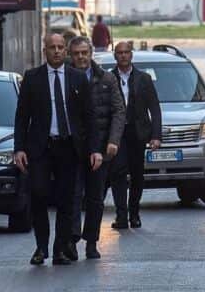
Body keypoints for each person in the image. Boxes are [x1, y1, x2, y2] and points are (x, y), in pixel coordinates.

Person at [13, 33, 101, 266]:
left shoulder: (78, 78)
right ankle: (41, 247)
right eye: (52, 47)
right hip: (41, 148)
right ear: (45, 51)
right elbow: (22, 117)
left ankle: (60, 248)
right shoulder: (32, 78)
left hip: (69, 147)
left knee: (66, 200)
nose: (57, 51)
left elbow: (89, 118)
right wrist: (19, 148)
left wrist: (94, 149)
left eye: (61, 47)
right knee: (39, 195)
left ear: (66, 51)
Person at [67, 36, 125, 260]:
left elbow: (119, 111)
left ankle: (91, 242)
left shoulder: (107, 79)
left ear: (91, 53)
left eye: (84, 52)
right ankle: (71, 241)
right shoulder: (65, 79)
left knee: (95, 199)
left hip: (99, 151)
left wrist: (113, 141)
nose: (81, 57)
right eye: (76, 53)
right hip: (72, 150)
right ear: (71, 56)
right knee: (72, 197)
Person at [110, 40, 162, 230]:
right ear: (115, 55)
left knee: (137, 175)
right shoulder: (108, 78)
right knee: (118, 172)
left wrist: (156, 136)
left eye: (126, 52)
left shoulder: (144, 79)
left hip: (138, 133)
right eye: (119, 52)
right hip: (117, 134)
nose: (123, 55)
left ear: (131, 55)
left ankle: (134, 213)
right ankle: (121, 216)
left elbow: (154, 108)